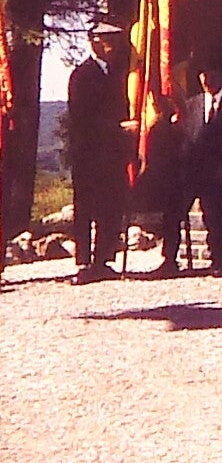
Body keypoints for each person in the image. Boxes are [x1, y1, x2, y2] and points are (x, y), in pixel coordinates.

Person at [169, 63, 222, 273]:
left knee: (219, 213)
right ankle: (169, 260)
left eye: (211, 73)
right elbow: (185, 138)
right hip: (193, 170)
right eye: (202, 74)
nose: (206, 79)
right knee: (172, 208)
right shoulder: (192, 105)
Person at [66, 21, 131, 284]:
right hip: (89, 152)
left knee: (110, 205)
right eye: (106, 38)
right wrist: (117, 128)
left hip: (113, 153)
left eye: (114, 39)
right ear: (92, 40)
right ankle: (83, 262)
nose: (111, 44)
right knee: (86, 207)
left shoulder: (118, 74)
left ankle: (104, 258)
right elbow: (82, 117)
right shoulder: (81, 75)